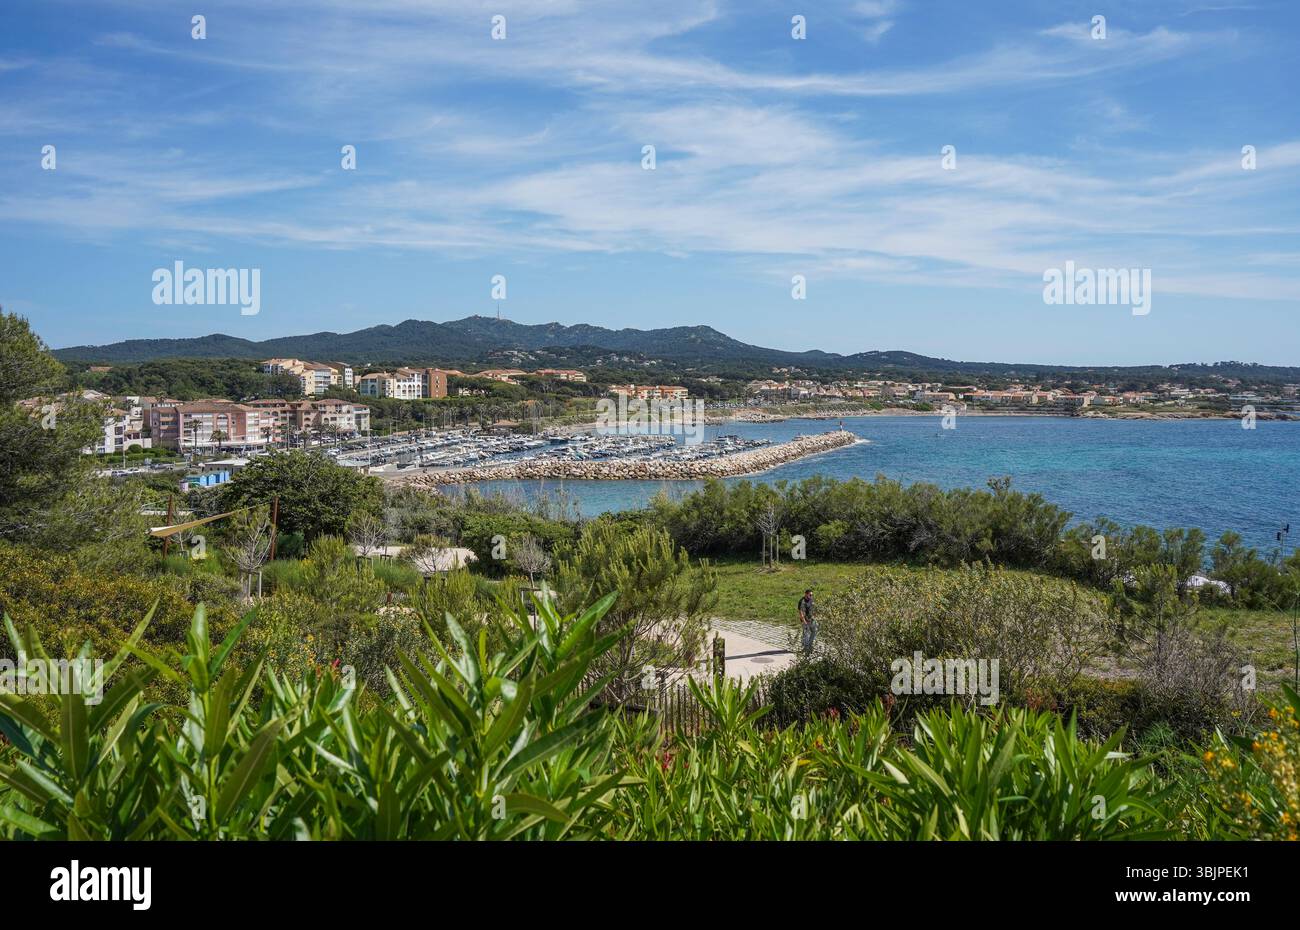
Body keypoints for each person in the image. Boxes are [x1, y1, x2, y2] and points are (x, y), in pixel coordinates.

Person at [798, 588, 816, 655]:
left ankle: (809, 645)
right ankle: (806, 649)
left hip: (812, 619)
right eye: (810, 595)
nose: (811, 596)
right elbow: (801, 612)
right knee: (806, 635)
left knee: (814, 631)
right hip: (805, 620)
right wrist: (804, 621)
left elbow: (813, 608)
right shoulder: (802, 601)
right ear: (806, 594)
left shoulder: (811, 600)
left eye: (812, 595)